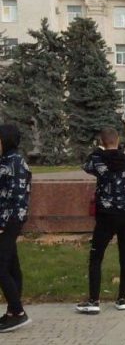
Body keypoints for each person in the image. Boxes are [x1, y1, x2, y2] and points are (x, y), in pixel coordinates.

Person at [76, 127, 125, 314]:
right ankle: (122, 299)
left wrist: (98, 151)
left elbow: (85, 165)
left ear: (102, 142)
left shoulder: (97, 159)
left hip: (106, 214)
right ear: (118, 140)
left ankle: (94, 301)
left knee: (96, 257)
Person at [0, 125, 31, 333]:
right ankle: (12, 312)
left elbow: (17, 197)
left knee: (1, 267)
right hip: (5, 220)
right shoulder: (5, 161)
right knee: (11, 266)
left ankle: (18, 312)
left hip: (8, 221)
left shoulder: (17, 163)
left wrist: (2, 224)